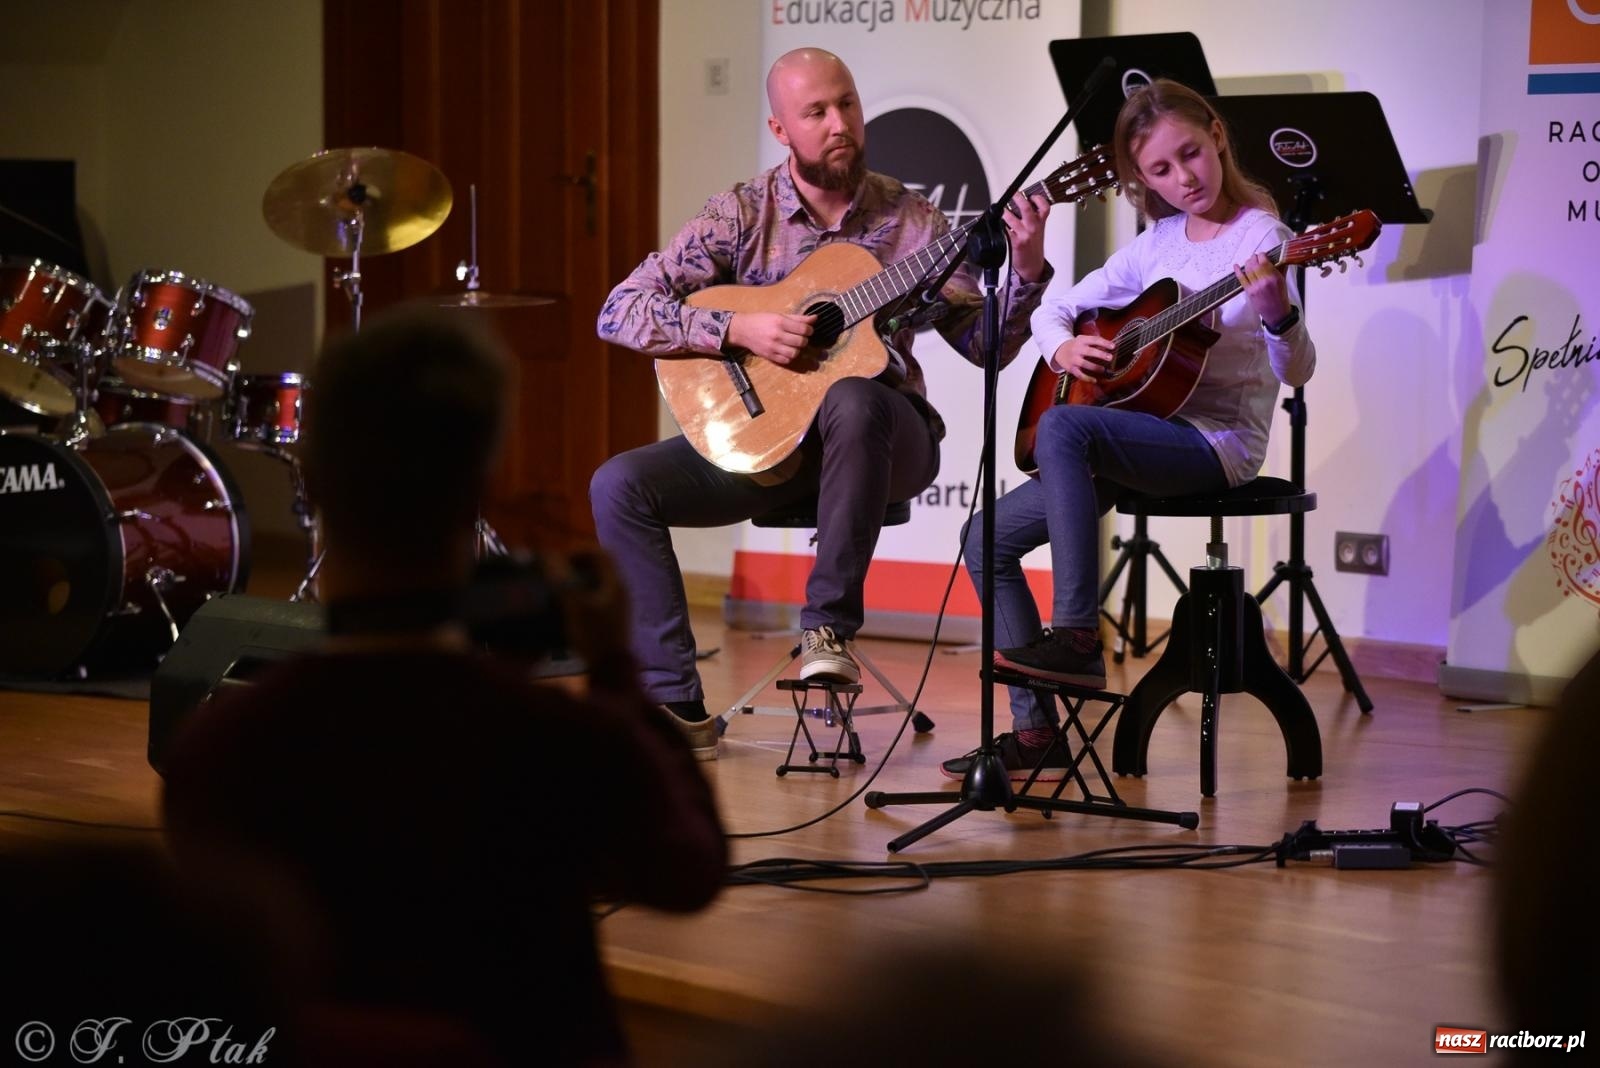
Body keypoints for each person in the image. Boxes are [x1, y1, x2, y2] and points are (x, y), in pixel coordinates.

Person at [163, 307, 726, 1066]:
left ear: (316, 481)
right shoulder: (553, 741)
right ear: (480, 487)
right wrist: (616, 677)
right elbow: (689, 873)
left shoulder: (221, 749)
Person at [592, 47, 1053, 759]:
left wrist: (1024, 272)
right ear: (781, 129)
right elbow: (619, 311)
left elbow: (985, 347)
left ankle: (827, 628)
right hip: (767, 444)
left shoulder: (916, 222)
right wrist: (737, 328)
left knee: (852, 398)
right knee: (619, 484)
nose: (839, 122)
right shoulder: (740, 213)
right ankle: (673, 700)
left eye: (847, 104)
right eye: (816, 112)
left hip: (885, 440)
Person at [944, 79, 1316, 781]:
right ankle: (1034, 735)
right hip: (1136, 434)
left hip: (1215, 445)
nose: (1185, 178)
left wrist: (1277, 314)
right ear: (1143, 180)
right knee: (983, 539)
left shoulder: (1266, 238)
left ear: (1216, 135)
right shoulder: (1160, 240)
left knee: (1063, 427)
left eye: (1191, 155)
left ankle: (1079, 634)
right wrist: (1061, 350)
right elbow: (1059, 310)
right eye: (1162, 171)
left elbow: (1297, 371)